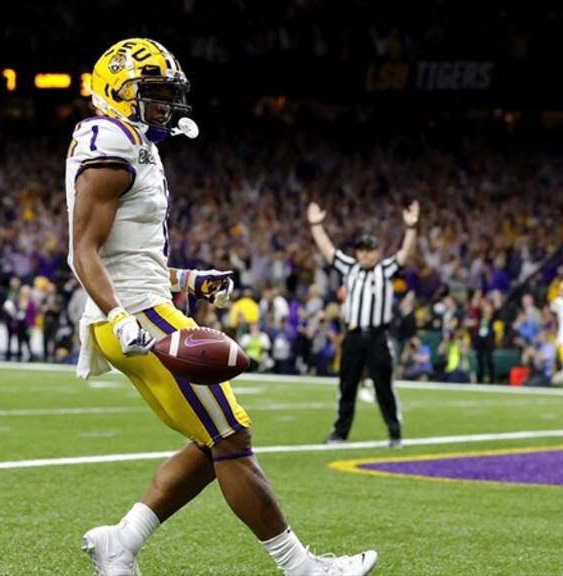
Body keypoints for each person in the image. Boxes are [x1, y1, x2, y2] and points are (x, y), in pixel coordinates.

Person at [67, 38, 377, 576]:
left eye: (168, 94)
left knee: (212, 439)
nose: (164, 105)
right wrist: (121, 316)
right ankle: (302, 568)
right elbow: (83, 252)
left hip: (139, 308)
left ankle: (121, 541)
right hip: (138, 317)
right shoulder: (112, 147)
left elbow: (129, 255)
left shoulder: (132, 142)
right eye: (153, 93)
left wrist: (188, 279)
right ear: (118, 90)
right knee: (231, 436)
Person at [308, 200, 419, 448]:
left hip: (378, 336)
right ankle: (340, 433)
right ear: (357, 253)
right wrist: (316, 225)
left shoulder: (386, 269)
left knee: (384, 386)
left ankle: (394, 432)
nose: (366, 254)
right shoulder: (350, 268)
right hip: (353, 335)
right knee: (347, 385)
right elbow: (328, 251)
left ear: (377, 252)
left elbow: (405, 254)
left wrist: (411, 228)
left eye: (370, 250)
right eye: (362, 250)